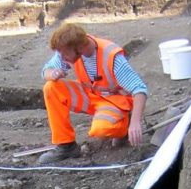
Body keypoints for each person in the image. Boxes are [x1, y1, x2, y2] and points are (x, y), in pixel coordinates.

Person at [38, 22, 148, 164]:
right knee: (51, 88)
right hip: (91, 94)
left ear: (79, 48)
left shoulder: (111, 56)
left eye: (64, 54)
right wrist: (51, 73)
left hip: (115, 101)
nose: (62, 58)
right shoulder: (69, 49)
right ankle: (66, 146)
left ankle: (124, 126)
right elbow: (46, 70)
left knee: (102, 130)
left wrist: (135, 123)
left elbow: (139, 89)